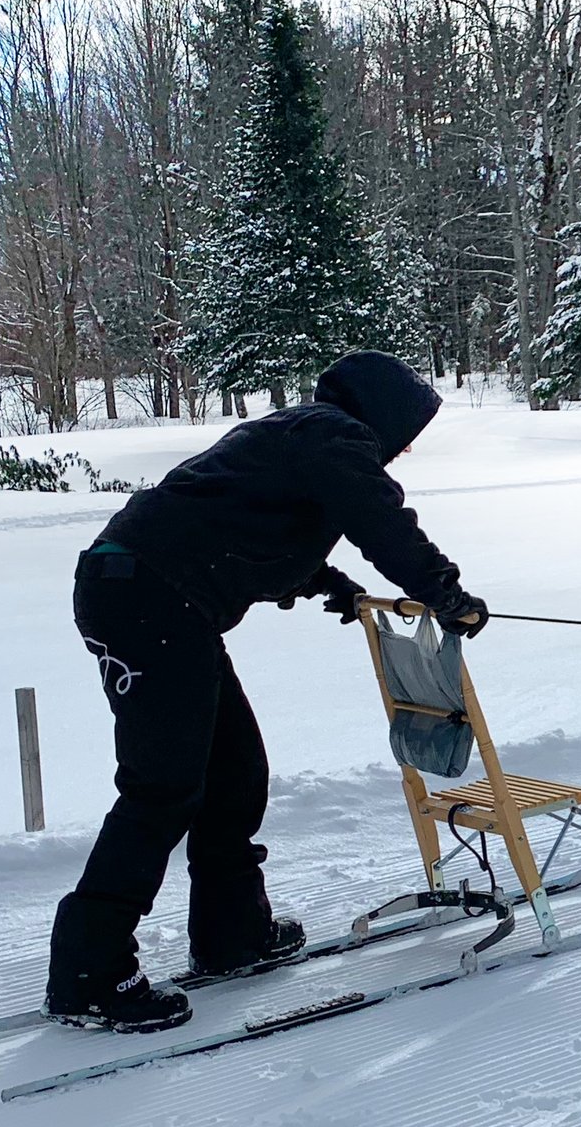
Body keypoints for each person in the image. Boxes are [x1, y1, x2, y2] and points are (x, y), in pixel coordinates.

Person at [45, 351, 487, 1032]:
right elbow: (381, 521)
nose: (402, 449)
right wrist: (445, 592)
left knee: (233, 769)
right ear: (383, 414)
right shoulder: (336, 438)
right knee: (161, 786)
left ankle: (232, 933)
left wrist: (323, 580)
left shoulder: (297, 434)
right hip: (150, 599)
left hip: (144, 590)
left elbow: (240, 522)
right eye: (407, 430)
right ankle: (90, 970)